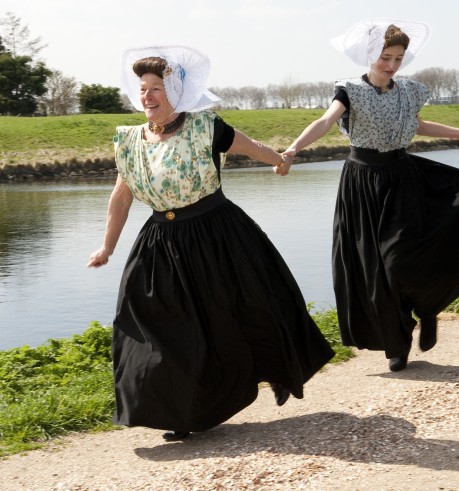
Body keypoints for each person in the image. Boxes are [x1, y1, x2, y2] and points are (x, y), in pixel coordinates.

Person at [87, 46, 334, 441]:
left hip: (216, 236)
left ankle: (270, 371)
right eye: (143, 88)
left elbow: (254, 147)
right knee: (156, 328)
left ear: (176, 93)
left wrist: (280, 161)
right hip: (160, 245)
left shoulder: (206, 127)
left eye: (156, 88)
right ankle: (181, 410)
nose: (147, 96)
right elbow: (121, 196)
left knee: (240, 314)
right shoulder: (129, 141)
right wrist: (107, 247)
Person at [281, 19, 459, 372]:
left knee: (404, 255)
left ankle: (428, 307)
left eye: (398, 58)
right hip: (362, 183)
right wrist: (294, 149)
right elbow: (326, 122)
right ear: (370, 54)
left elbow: (417, 125)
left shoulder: (407, 90)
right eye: (385, 57)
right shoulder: (349, 90)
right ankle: (397, 342)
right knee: (377, 269)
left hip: (404, 177)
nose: (390, 65)